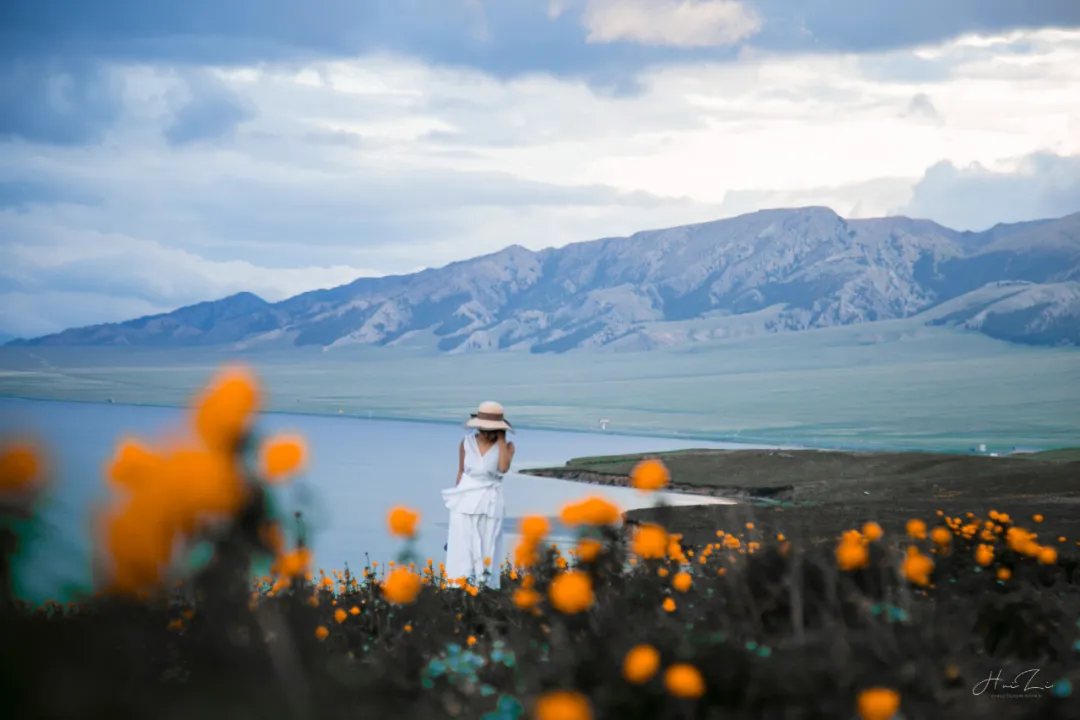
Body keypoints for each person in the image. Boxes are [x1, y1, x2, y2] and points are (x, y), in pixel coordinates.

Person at [441, 401, 515, 589]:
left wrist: (501, 440)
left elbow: (504, 468)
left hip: (490, 501)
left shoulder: (507, 447)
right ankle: (459, 588)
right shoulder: (466, 442)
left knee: (488, 544)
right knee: (462, 546)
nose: (485, 433)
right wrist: (457, 500)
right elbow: (460, 472)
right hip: (465, 499)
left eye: (491, 429)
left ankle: (485, 588)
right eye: (483, 428)